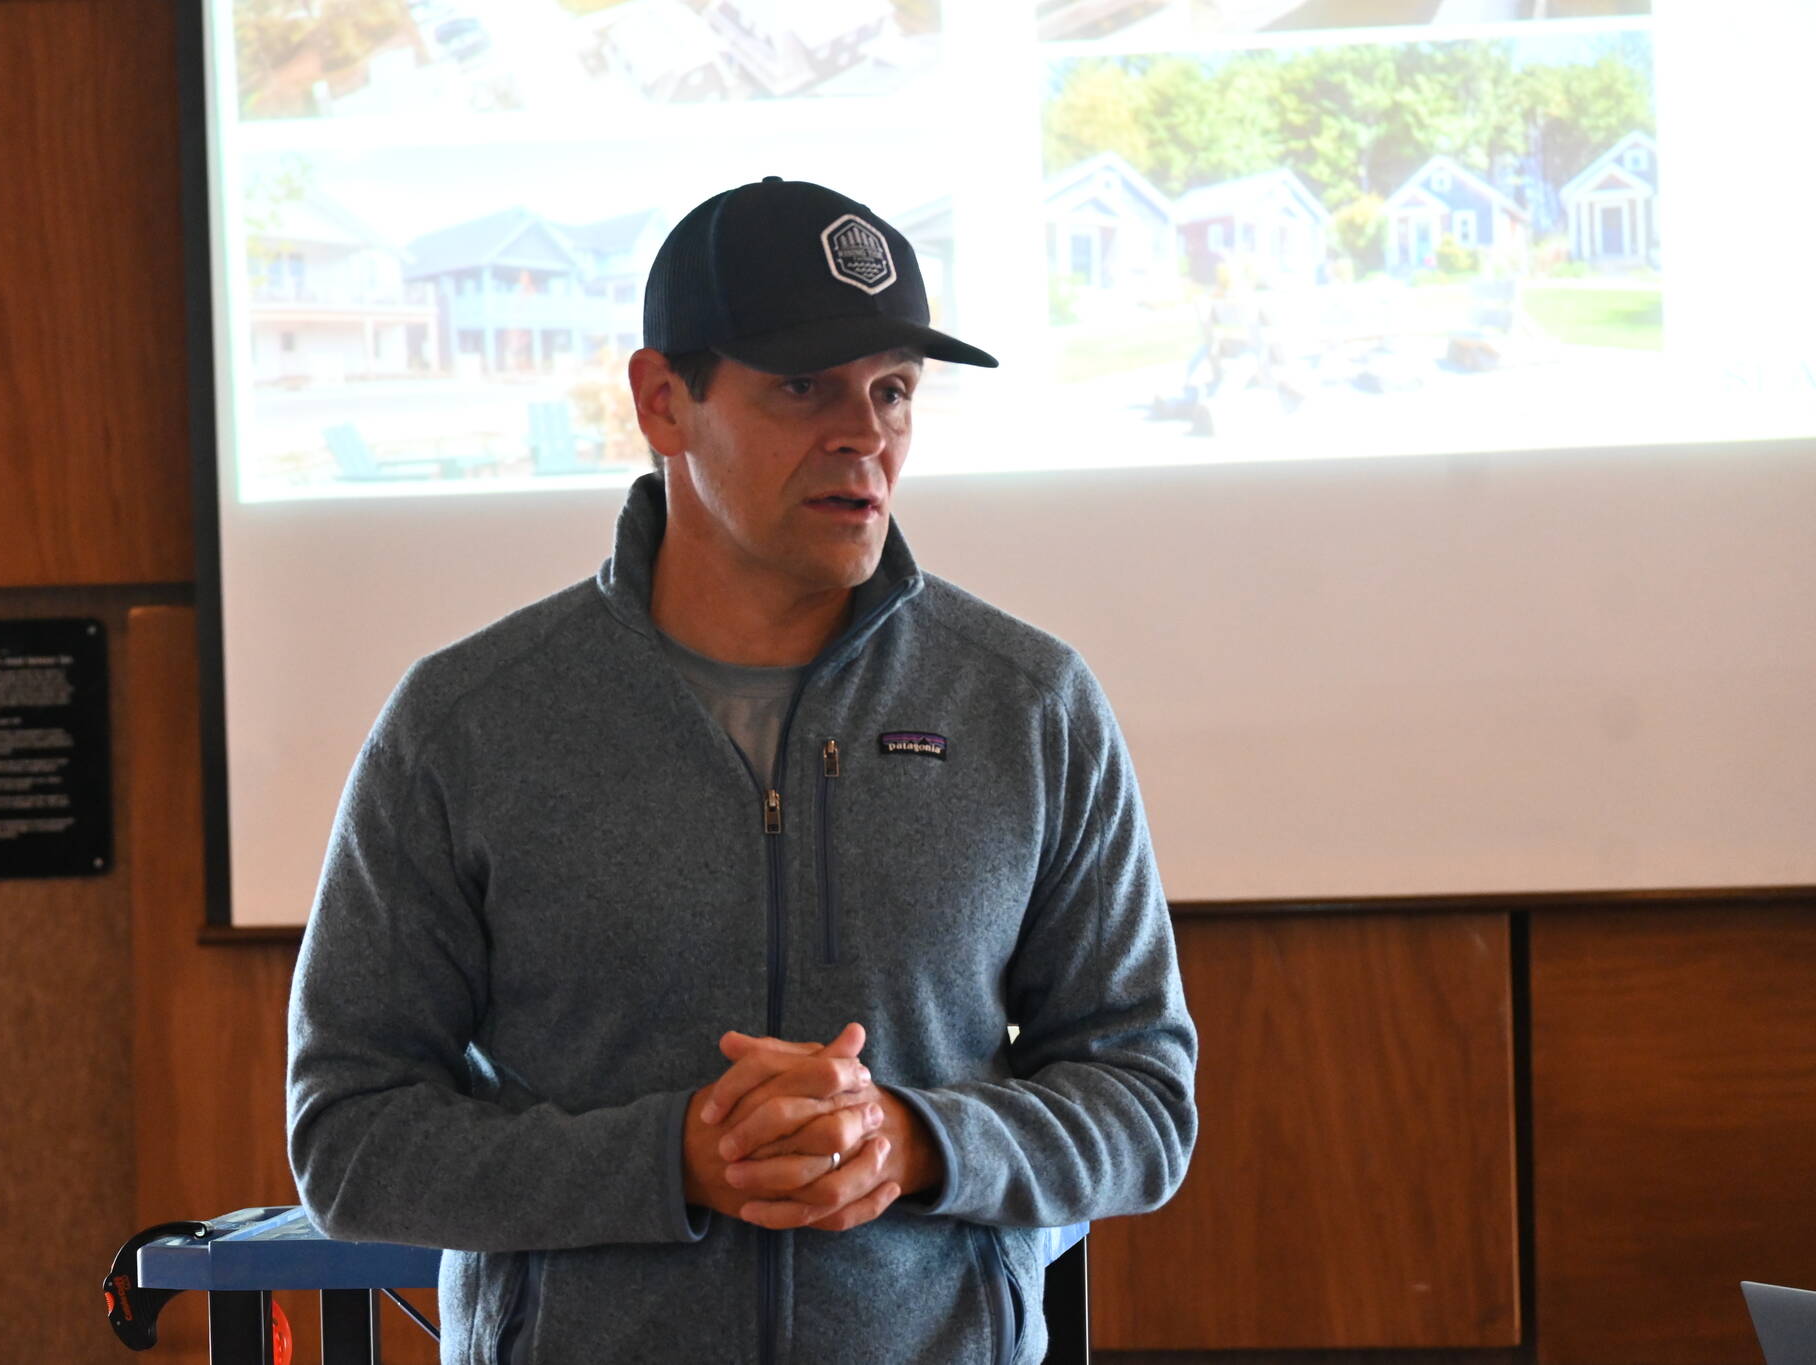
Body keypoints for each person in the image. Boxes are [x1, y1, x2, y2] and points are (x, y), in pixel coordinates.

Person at [287, 176, 1197, 1364]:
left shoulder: (1026, 705)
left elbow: (1142, 1102)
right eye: (801, 386)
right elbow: (350, 1137)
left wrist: (914, 1144)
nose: (863, 433)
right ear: (663, 401)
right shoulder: (466, 724)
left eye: (891, 392)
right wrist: (668, 1161)